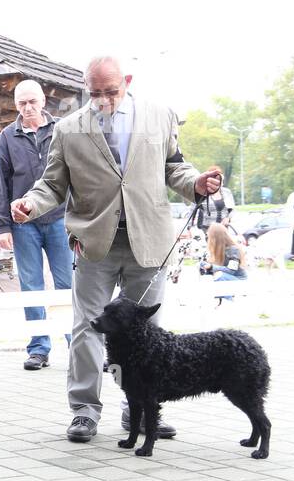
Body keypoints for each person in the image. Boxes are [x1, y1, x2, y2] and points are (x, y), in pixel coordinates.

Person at [11, 56, 222, 443]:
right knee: (87, 328)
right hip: (94, 244)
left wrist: (197, 183)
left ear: (127, 81)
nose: (104, 100)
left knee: (147, 333)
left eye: (111, 91)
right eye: (95, 93)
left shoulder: (160, 115)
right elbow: (52, 183)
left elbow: (174, 166)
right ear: (85, 88)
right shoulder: (70, 129)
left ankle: (138, 412)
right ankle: (84, 412)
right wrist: (30, 203)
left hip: (150, 240)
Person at [0, 79, 72, 370]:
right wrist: (2, 227)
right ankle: (39, 348)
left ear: (43, 101)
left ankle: (79, 346)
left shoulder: (62, 129)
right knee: (32, 286)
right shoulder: (7, 137)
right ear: (16, 105)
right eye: (22, 103)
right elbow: (0, 183)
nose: (28, 108)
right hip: (23, 223)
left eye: (32, 102)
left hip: (61, 218)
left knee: (67, 285)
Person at [195, 165, 236, 232]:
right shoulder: (201, 191)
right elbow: (192, 210)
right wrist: (189, 228)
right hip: (205, 230)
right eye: (216, 179)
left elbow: (232, 209)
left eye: (220, 179)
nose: (218, 182)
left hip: (223, 229)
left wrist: (228, 218)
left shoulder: (226, 192)